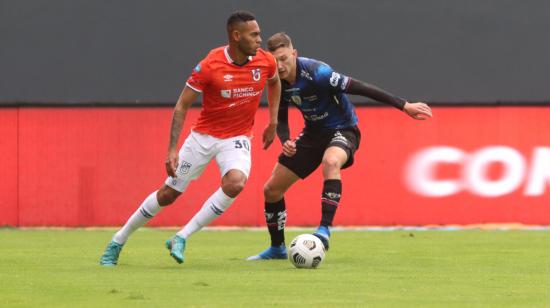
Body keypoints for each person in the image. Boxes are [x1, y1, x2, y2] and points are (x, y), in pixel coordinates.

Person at [100, 11, 280, 266]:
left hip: (237, 137)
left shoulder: (265, 61)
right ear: (236, 36)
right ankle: (117, 241)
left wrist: (273, 121)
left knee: (236, 183)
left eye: (259, 34)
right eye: (254, 35)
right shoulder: (210, 65)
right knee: (168, 194)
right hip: (203, 138)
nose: (260, 40)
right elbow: (182, 106)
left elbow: (274, 83)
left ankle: (182, 236)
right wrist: (172, 149)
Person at [247, 32, 432, 260]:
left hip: (343, 129)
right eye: (275, 61)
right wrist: (286, 140)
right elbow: (281, 117)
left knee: (331, 161)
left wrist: (404, 106)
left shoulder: (319, 73)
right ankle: (277, 248)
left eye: (284, 58)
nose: (281, 66)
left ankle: (324, 231)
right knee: (271, 190)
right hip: (313, 135)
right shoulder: (277, 81)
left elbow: (361, 87)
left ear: (294, 54)